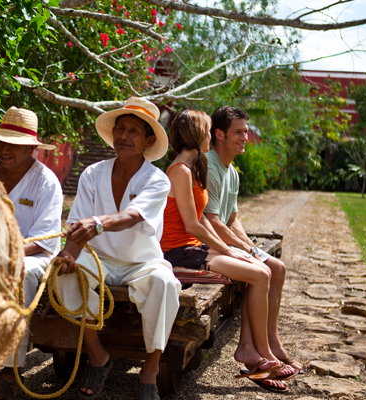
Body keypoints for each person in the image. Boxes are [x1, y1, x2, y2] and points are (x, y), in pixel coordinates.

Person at [160, 110, 297, 393]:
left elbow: (212, 221)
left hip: (192, 249)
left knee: (260, 270)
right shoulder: (180, 171)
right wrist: (228, 249)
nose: (211, 136)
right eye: (208, 131)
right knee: (259, 275)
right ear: (198, 134)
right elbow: (194, 224)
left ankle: (256, 349)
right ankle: (258, 354)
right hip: (179, 253)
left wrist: (240, 249)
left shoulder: (189, 168)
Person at [55, 97, 181, 400]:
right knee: (67, 274)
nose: (123, 136)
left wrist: (97, 224)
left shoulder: (157, 179)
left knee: (165, 284)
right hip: (98, 258)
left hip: (141, 263)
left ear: (149, 140)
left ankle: (150, 368)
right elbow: (77, 226)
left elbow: (133, 215)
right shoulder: (93, 173)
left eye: (133, 132)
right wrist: (68, 254)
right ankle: (98, 355)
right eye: (120, 129)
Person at [205, 106, 302, 371]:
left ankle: (270, 339)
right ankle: (256, 348)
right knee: (260, 270)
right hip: (209, 244)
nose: (245, 137)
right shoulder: (209, 166)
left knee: (277, 267)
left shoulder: (232, 172)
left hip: (225, 240)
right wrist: (244, 250)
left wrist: (250, 246)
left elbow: (232, 219)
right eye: (238, 132)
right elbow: (212, 221)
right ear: (220, 134)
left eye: (246, 132)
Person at [0, 107, 64, 400]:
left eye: (13, 145)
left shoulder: (46, 181)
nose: (5, 149)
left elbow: (42, 239)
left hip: (33, 256)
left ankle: (10, 372)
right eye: (2, 142)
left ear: (31, 149)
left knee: (20, 272)